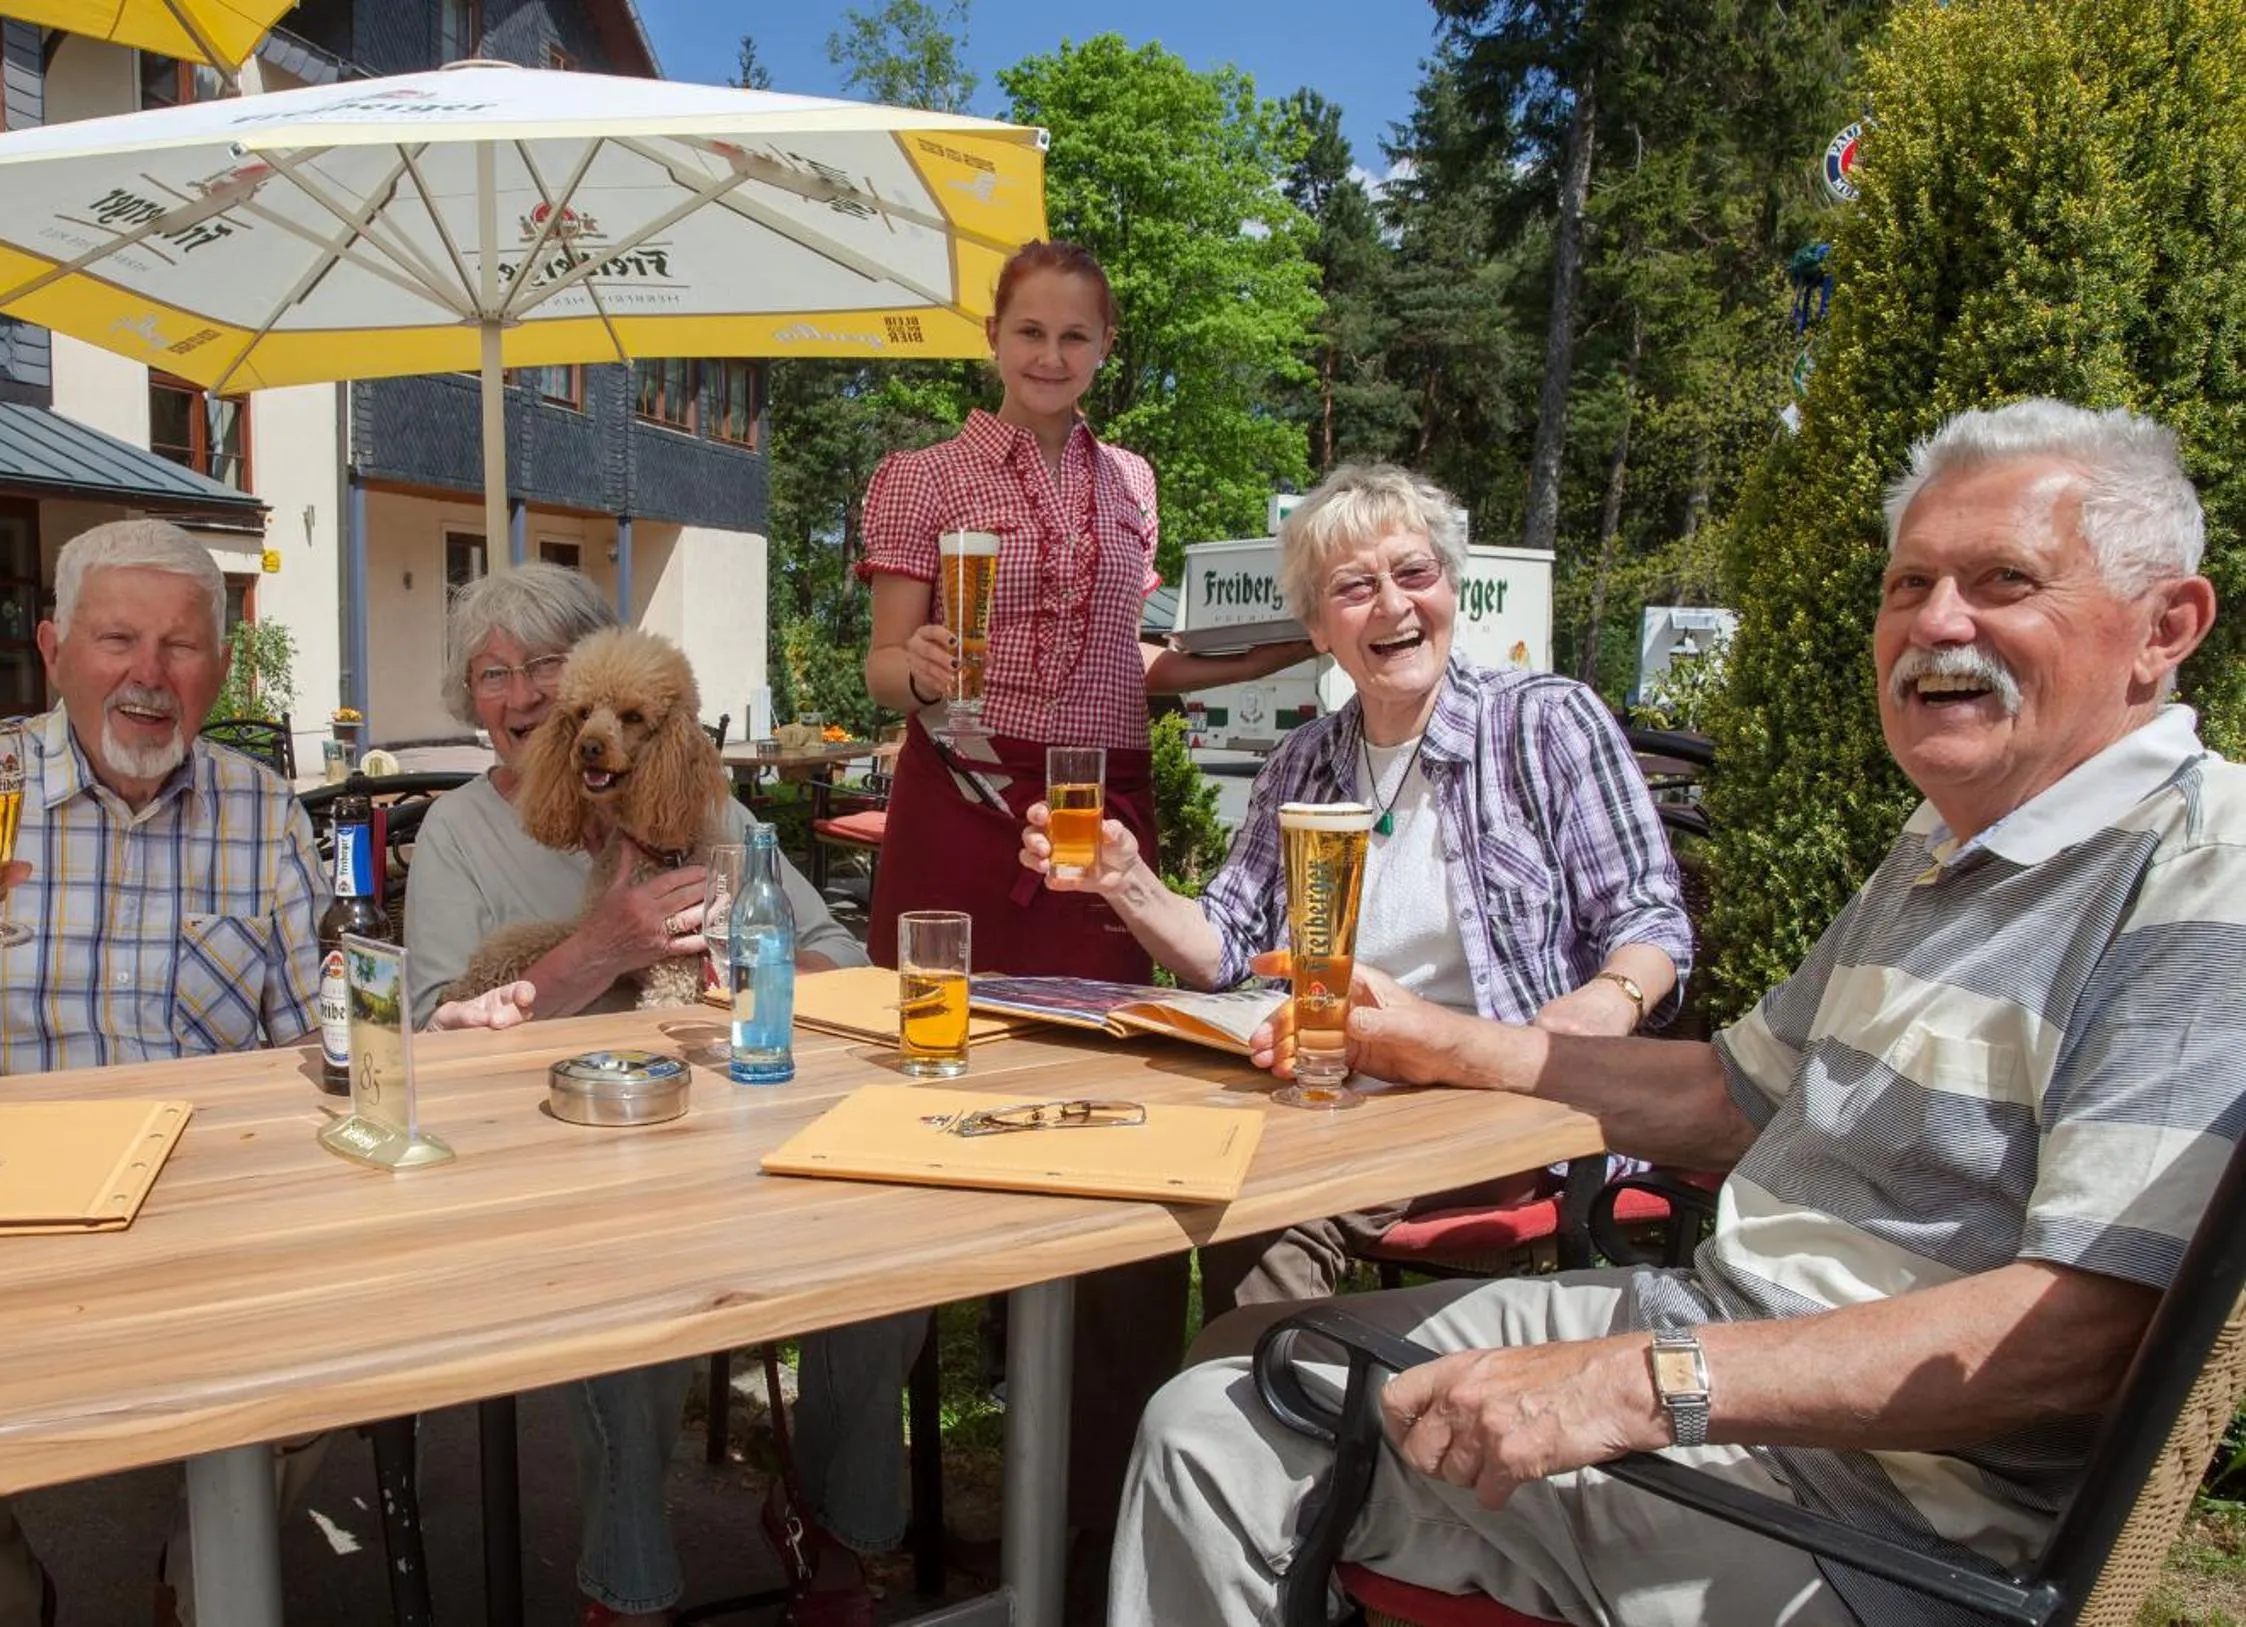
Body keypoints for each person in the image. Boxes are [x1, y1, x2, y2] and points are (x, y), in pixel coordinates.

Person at [1110, 399, 2244, 1627]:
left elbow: (2081, 1342)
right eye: (1909, 583)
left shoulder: (2201, 874)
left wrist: (1642, 1385)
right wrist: (1436, 1039)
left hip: (1880, 1510)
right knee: (1235, 1370)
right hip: (1712, 1336)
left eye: (2002, 580)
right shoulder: (1944, 846)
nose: (1936, 623)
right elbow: (1729, 1098)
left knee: (1225, 1422)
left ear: (2164, 628)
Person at [856, 239, 1315, 1567]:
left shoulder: (1133, 482)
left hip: (1096, 796)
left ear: (1105, 350)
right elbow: (889, 666)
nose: (1050, 354)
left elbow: (1136, 658)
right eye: (1029, 332)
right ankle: (890, 1451)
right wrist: (920, 658)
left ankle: (1094, 1461)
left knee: (1109, 1097)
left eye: (1077, 336)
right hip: (961, 789)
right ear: (991, 339)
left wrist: (1298, 639)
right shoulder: (920, 479)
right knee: (935, 1092)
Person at [0, 519, 330, 1627]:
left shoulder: (261, 809)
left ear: (220, 668)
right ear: (52, 649)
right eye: (116, 638)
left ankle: (207, 1577)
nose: (148, 675)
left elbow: (322, 1053)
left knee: (343, 1321)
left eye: (181, 646)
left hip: (199, 1204)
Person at [1022, 460, 1692, 1310]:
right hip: (1329, 1088)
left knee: (1270, 1205)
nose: (1393, 605)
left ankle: (1281, 1420)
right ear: (1317, 626)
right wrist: (1127, 881)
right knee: (1144, 1169)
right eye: (1354, 587)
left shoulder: (1543, 721)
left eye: (1415, 573)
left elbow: (1651, 918)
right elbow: (1226, 945)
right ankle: (1136, 1429)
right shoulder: (1306, 761)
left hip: (1502, 1095)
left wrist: (1609, 1000)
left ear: (1451, 585)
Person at [405, 562, 915, 1627]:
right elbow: (426, 1038)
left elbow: (830, 955)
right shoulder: (458, 834)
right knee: (632, 1322)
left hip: (737, 1125)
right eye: (495, 674)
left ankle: (839, 1529)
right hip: (563, 1151)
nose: (528, 696)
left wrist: (750, 946)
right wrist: (601, 948)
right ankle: (630, 1590)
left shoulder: (711, 808)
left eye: (550, 666)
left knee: (886, 1275)